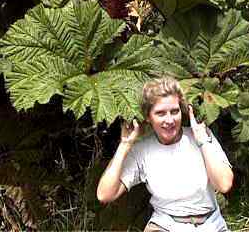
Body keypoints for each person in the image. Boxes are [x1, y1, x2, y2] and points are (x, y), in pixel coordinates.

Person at [97, 76, 234, 231]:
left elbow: (224, 184)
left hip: (211, 224)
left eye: (174, 112)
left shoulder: (201, 136)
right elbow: (104, 194)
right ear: (148, 117)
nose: (169, 120)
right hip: (165, 225)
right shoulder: (142, 150)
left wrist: (203, 141)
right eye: (160, 113)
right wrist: (124, 145)